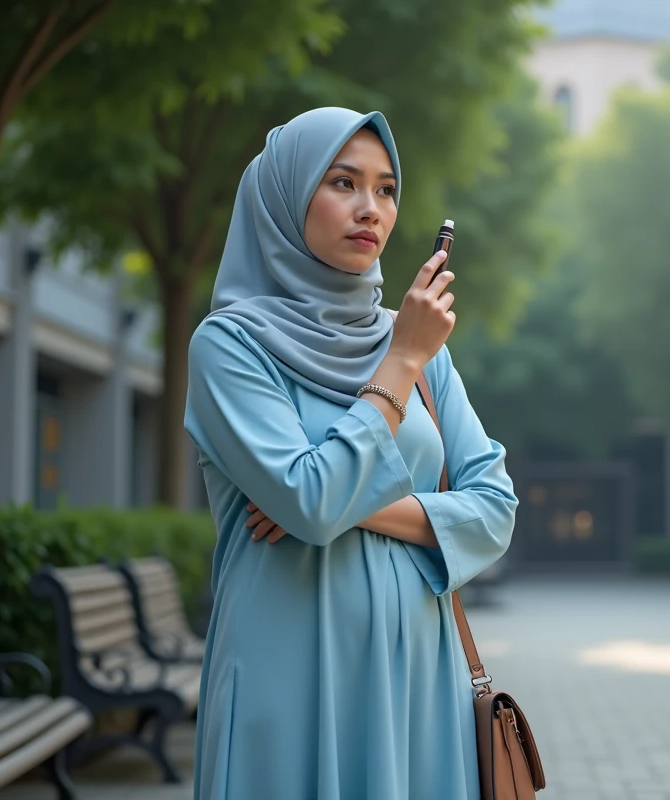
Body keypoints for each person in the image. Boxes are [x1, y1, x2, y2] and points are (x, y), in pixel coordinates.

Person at [184, 107, 517, 799]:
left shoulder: (423, 344)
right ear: (285, 195)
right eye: (343, 183)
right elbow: (311, 502)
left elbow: (493, 510)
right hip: (289, 670)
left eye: (387, 189)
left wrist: (351, 507)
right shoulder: (230, 346)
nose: (371, 209)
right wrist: (398, 364)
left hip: (419, 677)